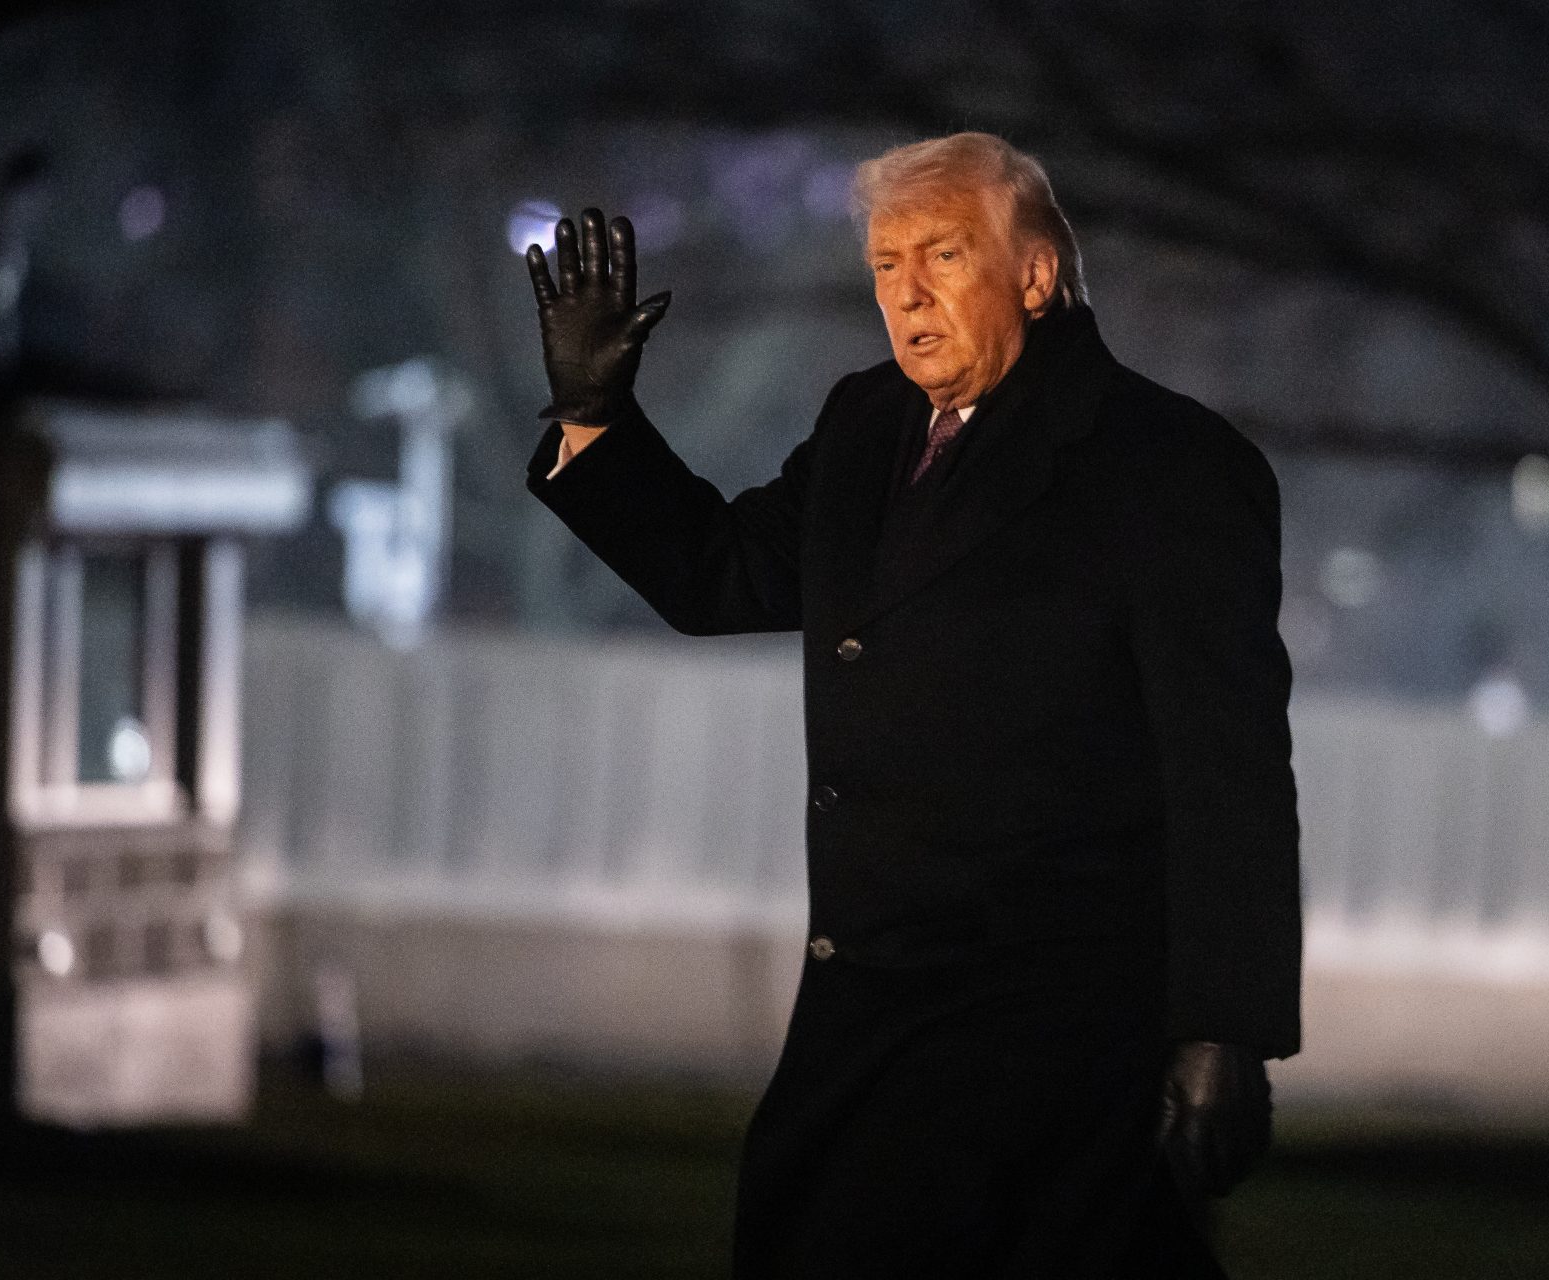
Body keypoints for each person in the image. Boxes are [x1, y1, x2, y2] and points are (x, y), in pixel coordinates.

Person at [523, 132, 1301, 1278]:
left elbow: (1228, 766)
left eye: (942, 254)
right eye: (887, 265)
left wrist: (1222, 1025)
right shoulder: (867, 425)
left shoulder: (1167, 463)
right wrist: (596, 416)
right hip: (871, 1007)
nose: (907, 293)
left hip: (1061, 1033)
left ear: (1036, 276)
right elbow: (720, 572)